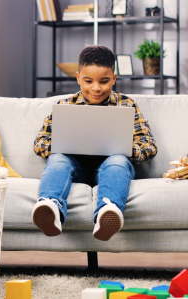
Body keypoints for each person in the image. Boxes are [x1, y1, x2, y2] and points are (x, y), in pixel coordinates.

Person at [32, 45, 157, 241]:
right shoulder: (65, 106)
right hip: (75, 169)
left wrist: (126, 149)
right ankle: (50, 206)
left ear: (114, 79)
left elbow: (148, 144)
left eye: (104, 81)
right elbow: (40, 142)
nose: (96, 88)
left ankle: (108, 210)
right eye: (88, 81)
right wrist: (62, 146)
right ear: (78, 78)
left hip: (109, 169)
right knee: (58, 159)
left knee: (118, 160)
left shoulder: (127, 105)